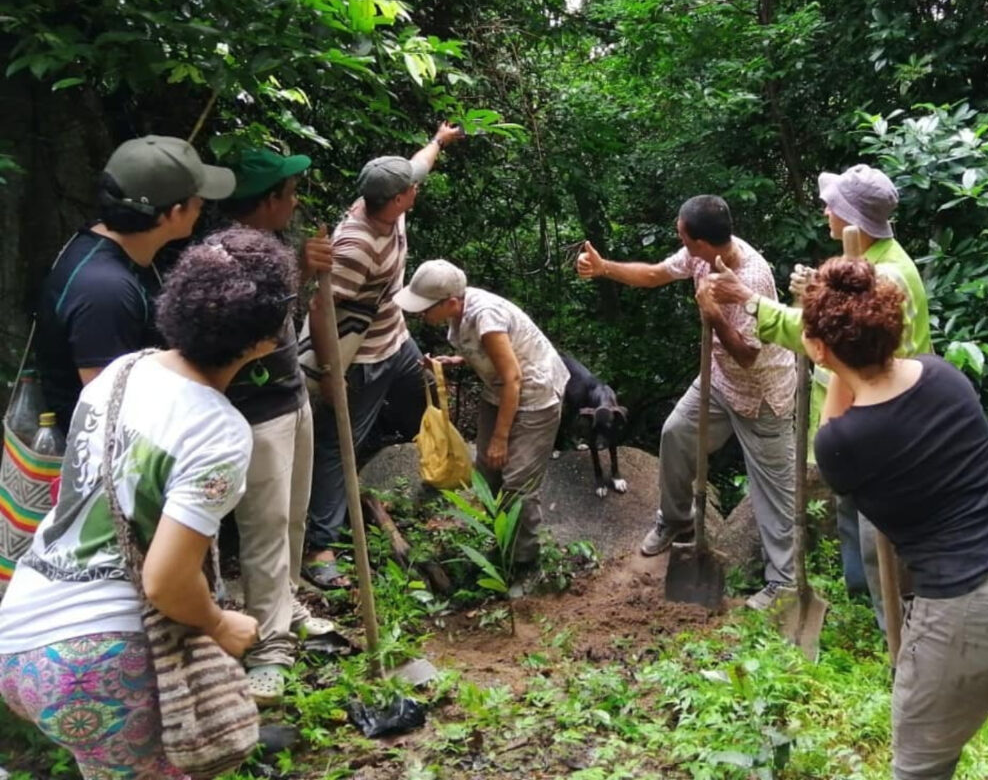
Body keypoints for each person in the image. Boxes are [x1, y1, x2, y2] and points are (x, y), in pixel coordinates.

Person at [0, 229, 298, 779]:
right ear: (265, 340)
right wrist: (220, 623)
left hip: (22, 630)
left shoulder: (121, 372)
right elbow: (164, 580)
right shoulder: (218, 429)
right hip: (95, 655)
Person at [803, 258, 988, 780]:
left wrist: (831, 360)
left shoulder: (842, 446)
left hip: (965, 608)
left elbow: (832, 428)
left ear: (819, 349)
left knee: (919, 766)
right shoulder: (946, 378)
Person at [707, 164, 932, 625]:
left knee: (878, 537)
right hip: (856, 417)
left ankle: (895, 623)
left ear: (853, 221)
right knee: (851, 514)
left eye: (833, 204)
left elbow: (819, 334)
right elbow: (837, 314)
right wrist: (819, 290)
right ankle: (864, 605)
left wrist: (748, 299)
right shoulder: (871, 264)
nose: (825, 209)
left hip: (883, 424)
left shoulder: (886, 276)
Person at [577, 195, 796, 610]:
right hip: (718, 382)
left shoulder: (752, 278)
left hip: (763, 392)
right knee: (676, 434)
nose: (677, 237)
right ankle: (676, 520)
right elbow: (656, 274)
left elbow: (749, 356)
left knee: (772, 490)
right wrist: (605, 268)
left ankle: (782, 583)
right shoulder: (698, 256)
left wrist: (712, 315)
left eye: (681, 233)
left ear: (700, 240)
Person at [303, 122, 464, 586]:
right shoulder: (355, 246)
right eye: (410, 189)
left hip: (396, 340)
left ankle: (378, 463)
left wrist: (438, 140)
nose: (416, 190)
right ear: (397, 199)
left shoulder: (389, 204)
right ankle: (320, 545)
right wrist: (333, 372)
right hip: (362, 359)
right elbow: (321, 308)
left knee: (422, 405)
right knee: (339, 444)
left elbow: (417, 165)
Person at [215, 147, 335, 705]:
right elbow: (245, 339)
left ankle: (286, 602)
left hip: (291, 399)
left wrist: (304, 274)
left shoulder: (275, 249)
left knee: (293, 517)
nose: (295, 202)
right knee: (263, 530)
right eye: (288, 194)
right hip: (255, 413)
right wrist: (300, 272)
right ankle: (267, 647)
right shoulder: (224, 258)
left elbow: (285, 322)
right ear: (266, 202)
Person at [35, 135, 236, 434]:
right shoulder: (105, 291)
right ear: (174, 212)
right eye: (198, 197)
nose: (203, 204)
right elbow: (109, 416)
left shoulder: (115, 245)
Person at [394, 259, 569, 567]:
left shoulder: (485, 316)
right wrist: (458, 360)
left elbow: (514, 378)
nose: (421, 315)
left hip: (533, 393)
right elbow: (490, 351)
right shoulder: (459, 309)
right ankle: (504, 542)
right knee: (487, 471)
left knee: (518, 485)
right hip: (499, 389)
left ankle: (524, 563)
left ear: (449, 302)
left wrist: (501, 438)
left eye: (425, 309)